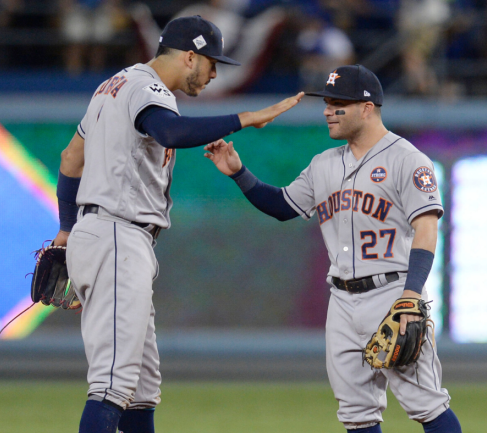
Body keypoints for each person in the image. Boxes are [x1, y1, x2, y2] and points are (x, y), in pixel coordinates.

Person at [53, 15, 303, 433]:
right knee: (114, 383)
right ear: (190, 56)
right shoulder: (146, 89)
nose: (214, 74)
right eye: (212, 63)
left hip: (112, 236)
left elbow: (69, 159)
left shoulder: (111, 87)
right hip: (117, 236)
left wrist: (65, 227)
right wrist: (245, 117)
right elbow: (169, 131)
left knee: (141, 389)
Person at [204, 65, 462, 433]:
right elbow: (282, 206)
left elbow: (427, 228)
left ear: (366, 108)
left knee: (426, 404)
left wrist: (409, 296)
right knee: (356, 413)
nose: (327, 110)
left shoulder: (408, 160)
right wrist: (238, 172)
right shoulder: (323, 165)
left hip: (391, 294)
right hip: (341, 301)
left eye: (338, 103)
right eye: (327, 102)